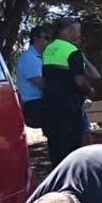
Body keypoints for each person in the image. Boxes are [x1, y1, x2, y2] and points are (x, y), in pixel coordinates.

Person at [42, 17, 93, 165]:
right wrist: (89, 90)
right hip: (69, 106)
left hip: (50, 105)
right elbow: (79, 80)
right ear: (69, 30)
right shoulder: (72, 50)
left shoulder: (48, 49)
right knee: (70, 147)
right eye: (78, 31)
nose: (79, 35)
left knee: (55, 144)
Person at [16, 26, 50, 130]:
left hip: (41, 103)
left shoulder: (41, 57)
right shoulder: (29, 58)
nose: (49, 41)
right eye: (46, 38)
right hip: (33, 105)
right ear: (36, 38)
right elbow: (42, 84)